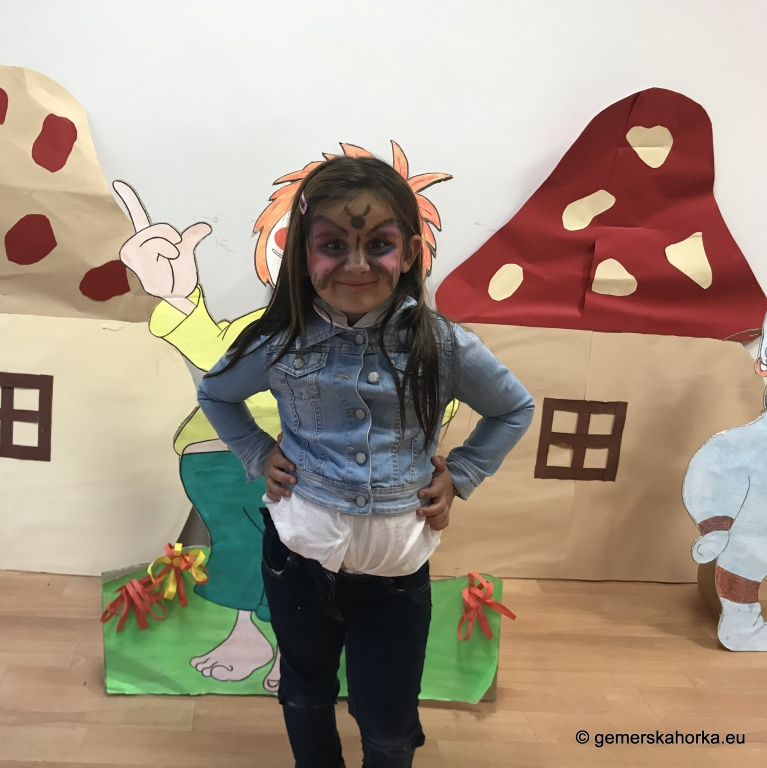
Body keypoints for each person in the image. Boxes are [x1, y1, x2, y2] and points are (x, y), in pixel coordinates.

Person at [196, 154, 534, 768]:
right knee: (304, 691)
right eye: (333, 245)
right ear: (304, 255)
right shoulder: (279, 340)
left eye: (378, 244)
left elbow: (513, 407)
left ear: (409, 253)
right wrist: (255, 450)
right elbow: (216, 393)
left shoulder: (444, 346)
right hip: (297, 555)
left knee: (389, 722)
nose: (355, 264)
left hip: (396, 572)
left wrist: (461, 474)